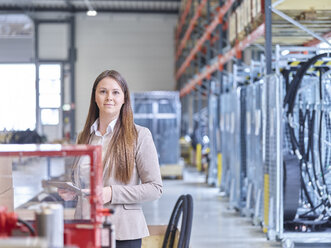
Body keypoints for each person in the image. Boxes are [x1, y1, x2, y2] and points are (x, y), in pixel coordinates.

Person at [59, 69, 163, 248]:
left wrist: (111, 193)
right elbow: (83, 183)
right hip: (86, 228)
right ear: (95, 97)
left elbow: (155, 188)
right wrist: (72, 191)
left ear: (124, 98)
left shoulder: (140, 136)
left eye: (116, 92)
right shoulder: (83, 137)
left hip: (123, 232)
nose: (109, 97)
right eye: (103, 91)